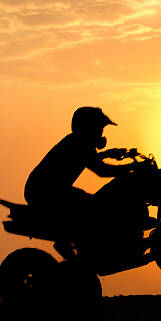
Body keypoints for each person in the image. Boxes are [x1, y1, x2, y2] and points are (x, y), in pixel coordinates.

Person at [24, 107, 137, 256]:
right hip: (45, 192)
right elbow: (101, 170)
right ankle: (72, 247)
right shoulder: (80, 142)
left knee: (88, 202)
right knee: (93, 207)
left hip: (43, 190)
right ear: (88, 127)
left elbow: (89, 160)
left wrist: (110, 153)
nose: (101, 133)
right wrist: (131, 167)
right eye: (99, 128)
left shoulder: (77, 141)